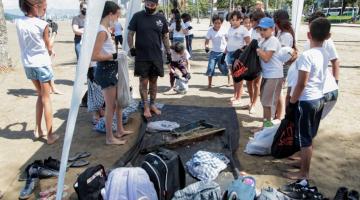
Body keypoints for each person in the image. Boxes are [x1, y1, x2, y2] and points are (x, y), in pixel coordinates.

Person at [284, 17, 331, 180]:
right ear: (328, 35)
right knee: (309, 135)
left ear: (308, 34)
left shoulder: (307, 55)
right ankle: (302, 163)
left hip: (307, 101)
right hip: (319, 98)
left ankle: (304, 173)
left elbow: (301, 83)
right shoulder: (324, 52)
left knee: (305, 138)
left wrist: (292, 101)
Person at [16, 0, 59, 144]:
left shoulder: (18, 22)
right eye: (44, 8)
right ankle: (50, 136)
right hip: (42, 64)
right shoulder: (42, 24)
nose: (44, 11)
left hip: (28, 65)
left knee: (40, 95)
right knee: (46, 98)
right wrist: (54, 34)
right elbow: (49, 46)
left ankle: (38, 129)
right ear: (36, 6)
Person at [92, 1, 132, 145]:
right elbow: (94, 56)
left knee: (117, 103)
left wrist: (115, 55)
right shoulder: (102, 30)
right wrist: (113, 56)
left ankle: (119, 130)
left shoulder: (104, 29)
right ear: (110, 14)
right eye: (117, 15)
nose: (117, 18)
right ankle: (110, 137)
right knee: (111, 106)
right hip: (105, 70)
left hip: (109, 69)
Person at [128, 0, 171, 118]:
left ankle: (152, 104)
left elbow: (165, 36)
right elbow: (130, 33)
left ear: (156, 5)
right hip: (142, 56)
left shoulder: (161, 18)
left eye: (152, 5)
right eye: (147, 4)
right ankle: (145, 107)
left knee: (154, 81)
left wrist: (168, 52)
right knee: (143, 81)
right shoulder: (137, 16)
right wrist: (131, 47)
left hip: (156, 56)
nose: (149, 7)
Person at [256, 17, 283, 128]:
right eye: (260, 29)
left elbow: (266, 58)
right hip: (267, 75)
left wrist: (258, 50)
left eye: (265, 29)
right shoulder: (264, 41)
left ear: (272, 29)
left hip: (274, 76)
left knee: (267, 103)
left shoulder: (273, 40)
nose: (262, 32)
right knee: (264, 102)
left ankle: (266, 127)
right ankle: (265, 126)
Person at [273, 9, 297, 120]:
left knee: (279, 92)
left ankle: (280, 116)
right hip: (277, 65)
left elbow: (284, 54)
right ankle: (277, 115)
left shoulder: (286, 35)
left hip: (282, 66)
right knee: (276, 92)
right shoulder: (280, 32)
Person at [225, 11, 251, 106]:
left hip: (239, 56)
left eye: (236, 20)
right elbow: (229, 41)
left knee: (239, 77)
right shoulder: (230, 29)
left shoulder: (243, 29)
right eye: (232, 20)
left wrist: (241, 52)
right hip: (230, 54)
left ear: (241, 20)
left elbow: (248, 44)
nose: (234, 21)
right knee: (234, 76)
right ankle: (235, 95)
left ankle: (239, 98)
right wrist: (225, 51)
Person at [247, 10, 265, 115]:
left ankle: (254, 104)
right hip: (251, 59)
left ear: (258, 21)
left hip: (259, 60)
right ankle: (251, 101)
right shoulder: (252, 31)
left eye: (253, 21)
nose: (251, 23)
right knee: (248, 81)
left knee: (256, 83)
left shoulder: (264, 32)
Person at [205, 15, 228, 89]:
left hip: (223, 53)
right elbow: (207, 41)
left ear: (221, 23)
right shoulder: (210, 31)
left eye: (219, 23)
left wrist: (228, 49)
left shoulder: (224, 30)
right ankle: (209, 84)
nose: (217, 25)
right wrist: (207, 46)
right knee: (210, 68)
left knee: (224, 68)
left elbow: (229, 40)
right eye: (215, 23)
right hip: (213, 53)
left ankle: (229, 82)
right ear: (213, 23)